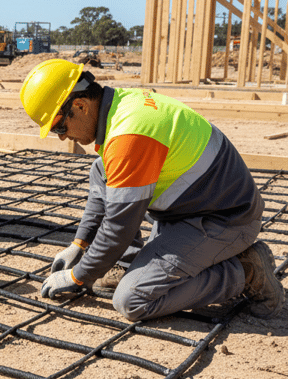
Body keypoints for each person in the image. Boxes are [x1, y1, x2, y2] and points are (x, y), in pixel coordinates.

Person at [20, 59, 284, 321]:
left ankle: (246, 272)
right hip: (197, 204)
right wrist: (80, 244)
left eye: (59, 126)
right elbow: (104, 185)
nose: (62, 137)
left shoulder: (130, 135)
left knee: (132, 300)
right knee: (101, 170)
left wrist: (77, 276)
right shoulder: (122, 103)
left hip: (225, 220)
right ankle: (127, 264)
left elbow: (118, 228)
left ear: (80, 105)